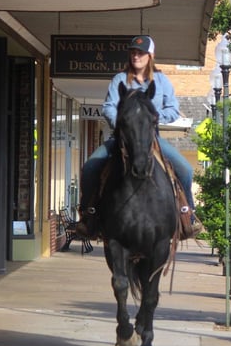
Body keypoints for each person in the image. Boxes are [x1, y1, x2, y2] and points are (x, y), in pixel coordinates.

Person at [75, 35, 203, 239]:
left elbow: (173, 109)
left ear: (151, 55)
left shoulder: (162, 81)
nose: (136, 56)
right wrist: (123, 124)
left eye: (141, 53)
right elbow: (109, 107)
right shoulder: (119, 79)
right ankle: (87, 216)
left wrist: (151, 117)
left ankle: (187, 216)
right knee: (90, 166)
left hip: (152, 138)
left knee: (185, 169)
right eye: (133, 52)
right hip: (122, 138)